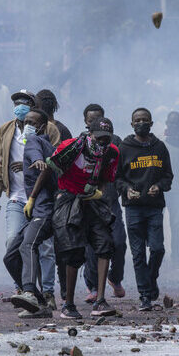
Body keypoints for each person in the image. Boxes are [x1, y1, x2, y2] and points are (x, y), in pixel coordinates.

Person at [32, 117, 120, 319]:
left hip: (92, 201)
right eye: (99, 138)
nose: (102, 143)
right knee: (73, 250)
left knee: (105, 245)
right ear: (90, 134)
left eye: (106, 139)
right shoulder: (71, 147)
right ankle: (68, 305)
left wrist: (99, 192)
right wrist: (33, 198)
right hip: (68, 199)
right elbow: (48, 170)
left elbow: (106, 179)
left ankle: (100, 301)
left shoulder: (112, 153)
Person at [0, 90, 59, 308]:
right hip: (17, 197)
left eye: (25, 103)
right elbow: (2, 163)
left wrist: (35, 164)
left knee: (43, 247)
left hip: (40, 200)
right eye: (16, 103)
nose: (19, 106)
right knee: (13, 243)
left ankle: (46, 292)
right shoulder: (6, 130)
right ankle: (25, 290)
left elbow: (53, 159)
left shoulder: (48, 130)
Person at [116, 108, 173, 311]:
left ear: (151, 123)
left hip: (154, 207)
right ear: (132, 124)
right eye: (137, 120)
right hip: (133, 208)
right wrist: (127, 189)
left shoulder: (159, 147)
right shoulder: (124, 147)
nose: (141, 123)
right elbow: (117, 178)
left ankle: (151, 278)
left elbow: (168, 176)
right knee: (138, 254)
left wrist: (159, 186)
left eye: (145, 120)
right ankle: (145, 296)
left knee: (157, 249)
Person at [3, 109, 57, 318]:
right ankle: (41, 304)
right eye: (25, 122)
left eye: (32, 123)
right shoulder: (47, 146)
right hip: (36, 211)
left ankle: (29, 293)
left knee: (29, 245)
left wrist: (33, 196)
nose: (27, 126)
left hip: (43, 210)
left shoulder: (35, 142)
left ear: (42, 126)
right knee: (10, 256)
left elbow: (40, 163)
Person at [81, 104, 127, 301]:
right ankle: (92, 287)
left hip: (110, 201)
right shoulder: (81, 143)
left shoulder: (116, 143)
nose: (96, 122)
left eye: (99, 118)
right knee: (92, 247)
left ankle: (115, 278)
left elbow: (123, 171)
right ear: (86, 123)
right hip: (89, 203)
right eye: (92, 120)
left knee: (119, 243)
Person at [161, 111, 179, 264]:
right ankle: (157, 252)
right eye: (171, 122)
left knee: (177, 223)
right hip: (159, 189)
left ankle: (176, 255)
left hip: (178, 188)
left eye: (177, 122)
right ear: (166, 122)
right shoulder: (160, 141)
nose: (173, 125)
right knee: (157, 221)